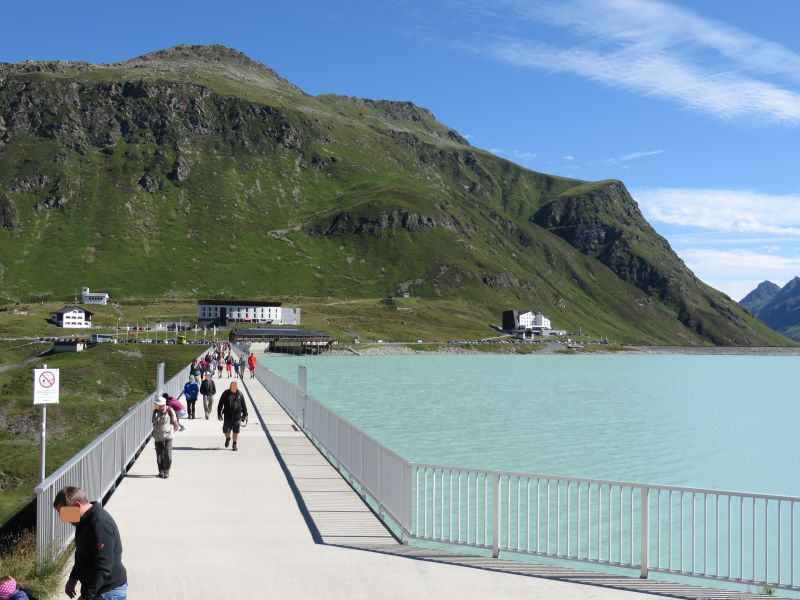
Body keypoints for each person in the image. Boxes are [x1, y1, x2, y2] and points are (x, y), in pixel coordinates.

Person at [52, 486, 128, 600]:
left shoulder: (100, 524)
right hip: (98, 589)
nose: (62, 518)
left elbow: (103, 565)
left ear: (77, 505)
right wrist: (73, 578)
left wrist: (87, 596)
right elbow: (83, 553)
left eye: (63, 513)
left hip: (108, 590)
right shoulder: (83, 520)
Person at [217, 381, 248, 451]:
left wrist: (245, 414)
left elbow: (244, 405)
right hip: (227, 416)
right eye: (233, 386)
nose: (234, 387)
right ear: (230, 386)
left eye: (235, 386)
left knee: (236, 431)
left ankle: (234, 444)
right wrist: (219, 413)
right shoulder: (225, 393)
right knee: (226, 430)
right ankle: (228, 438)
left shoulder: (240, 394)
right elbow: (220, 404)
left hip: (237, 417)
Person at [152, 396, 178, 478]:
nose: (157, 406)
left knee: (167, 454)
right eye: (156, 405)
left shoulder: (170, 410)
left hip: (168, 436)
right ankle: (161, 471)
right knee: (159, 455)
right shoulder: (155, 411)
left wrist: (173, 431)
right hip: (158, 436)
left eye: (158, 405)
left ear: (163, 405)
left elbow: (175, 422)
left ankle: (166, 471)